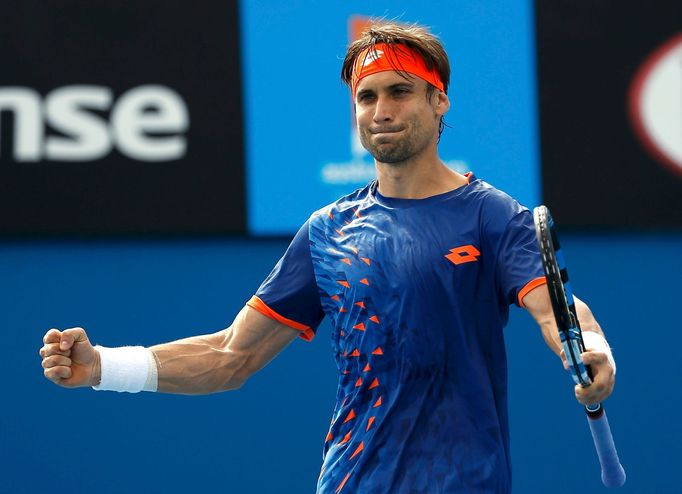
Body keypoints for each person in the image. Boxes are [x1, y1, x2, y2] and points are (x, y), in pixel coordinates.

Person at [40, 21, 616, 494]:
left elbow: (558, 312)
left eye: (400, 91)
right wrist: (104, 369)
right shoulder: (327, 232)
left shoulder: (493, 216)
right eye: (367, 97)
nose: (381, 110)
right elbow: (229, 356)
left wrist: (591, 352)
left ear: (439, 100)